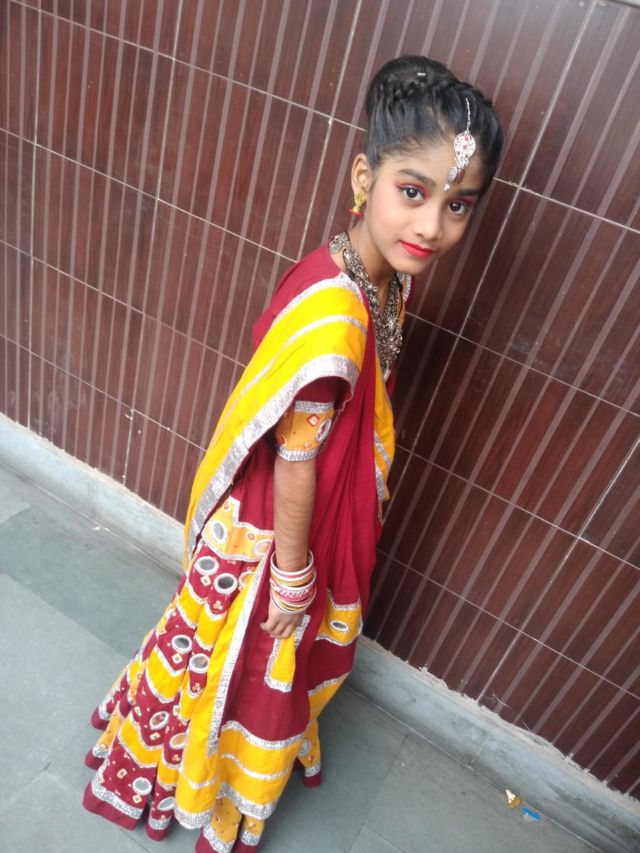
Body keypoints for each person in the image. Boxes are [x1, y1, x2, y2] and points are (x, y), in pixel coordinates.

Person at [82, 55, 504, 852]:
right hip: (273, 533)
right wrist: (293, 574)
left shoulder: (386, 277)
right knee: (242, 660)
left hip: (317, 512)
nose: (431, 226)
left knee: (260, 661)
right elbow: (297, 459)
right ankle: (192, 778)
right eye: (413, 192)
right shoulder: (336, 311)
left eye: (457, 206)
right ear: (364, 178)